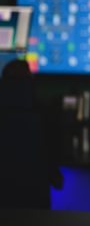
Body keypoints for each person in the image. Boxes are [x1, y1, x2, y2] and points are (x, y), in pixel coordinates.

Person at [0, 59, 63, 209]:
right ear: (30, 81)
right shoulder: (43, 112)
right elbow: (52, 153)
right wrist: (55, 177)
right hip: (35, 200)